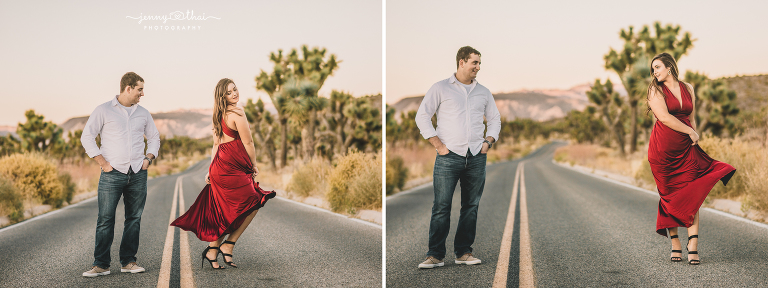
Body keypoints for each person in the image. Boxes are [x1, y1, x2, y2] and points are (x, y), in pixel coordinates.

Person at [171, 78, 276, 269]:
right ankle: (229, 244)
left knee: (227, 211)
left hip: (220, 167)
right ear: (222, 97)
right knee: (254, 200)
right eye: (229, 92)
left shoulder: (218, 115)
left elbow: (216, 145)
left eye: (235, 89)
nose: (234, 93)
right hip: (231, 168)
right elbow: (249, 142)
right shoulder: (237, 112)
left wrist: (210, 169)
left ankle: (213, 250)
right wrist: (254, 165)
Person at [414, 46, 501, 269]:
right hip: (448, 156)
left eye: (479, 63)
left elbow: (495, 120)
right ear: (461, 62)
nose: (478, 67)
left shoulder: (484, 92)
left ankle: (463, 253)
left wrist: (488, 142)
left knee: (470, 206)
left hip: (475, 156)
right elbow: (422, 116)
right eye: (475, 63)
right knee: (441, 206)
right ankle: (435, 255)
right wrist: (438, 145)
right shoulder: (441, 88)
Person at [646, 52, 736, 265]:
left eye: (657, 67)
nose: (654, 72)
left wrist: (693, 137)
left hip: (686, 149)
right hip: (662, 152)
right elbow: (665, 118)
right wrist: (690, 132)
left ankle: (693, 244)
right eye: (653, 69)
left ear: (669, 66)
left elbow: (691, 117)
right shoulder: (655, 89)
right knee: (670, 196)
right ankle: (676, 243)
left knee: (691, 194)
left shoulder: (688, 88)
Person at [81, 72, 160, 277]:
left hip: (137, 173)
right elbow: (87, 137)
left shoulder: (143, 113)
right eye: (140, 89)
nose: (142, 94)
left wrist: (148, 159)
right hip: (111, 173)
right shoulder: (104, 110)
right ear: (128, 88)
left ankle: (128, 262)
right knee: (105, 219)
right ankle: (101, 265)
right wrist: (103, 163)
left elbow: (154, 137)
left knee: (134, 218)